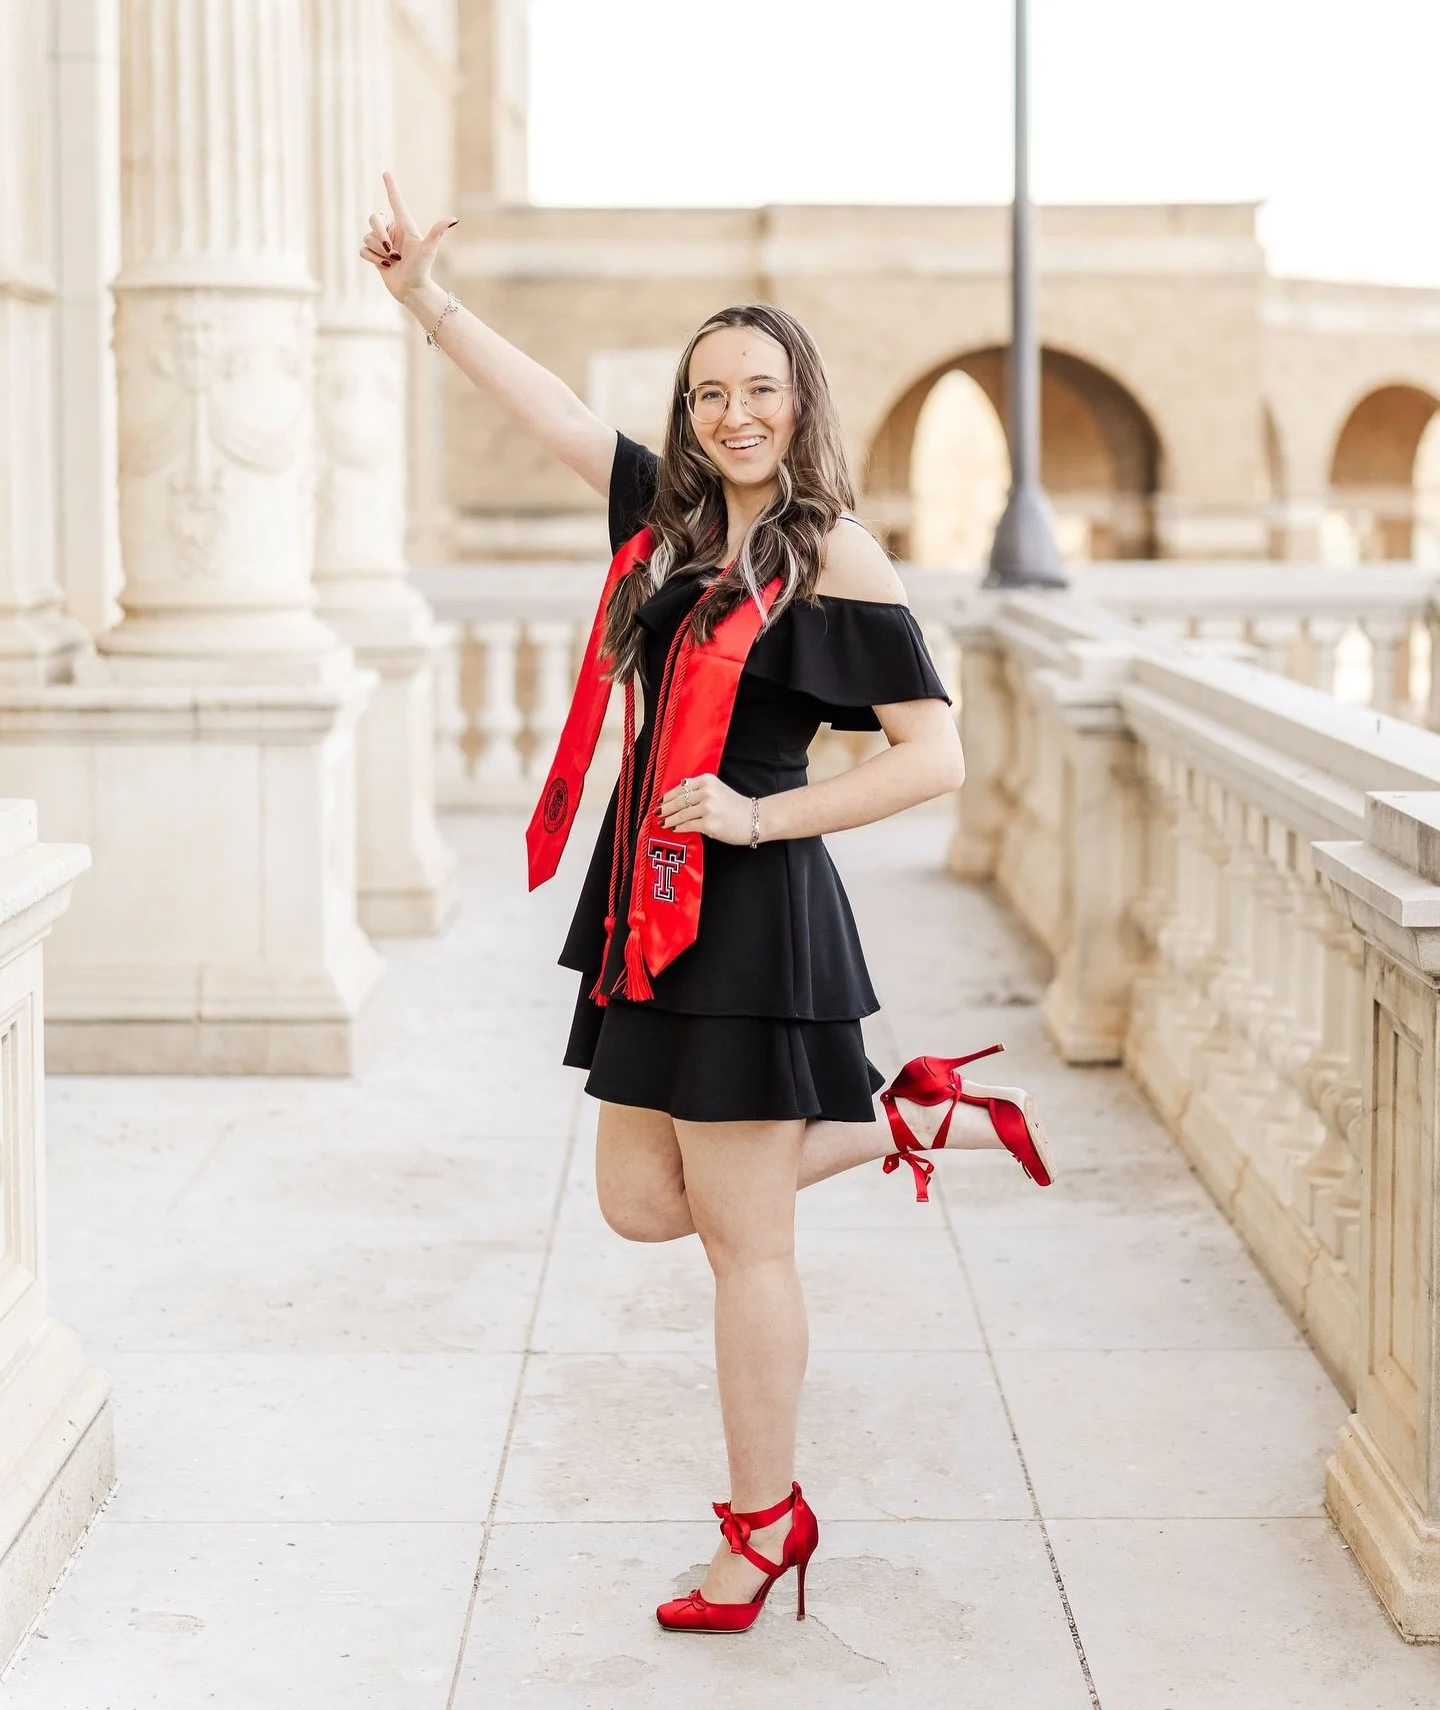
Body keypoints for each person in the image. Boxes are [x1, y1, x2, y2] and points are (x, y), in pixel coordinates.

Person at [361, 175, 1055, 1636]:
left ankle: (764, 1526)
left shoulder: (834, 554)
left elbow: (937, 756)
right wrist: (424, 297)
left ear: (801, 402)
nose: (734, 414)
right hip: (642, 900)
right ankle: (901, 1115)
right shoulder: (672, 523)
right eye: (708, 394)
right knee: (634, 1201)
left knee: (745, 1243)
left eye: (759, 389)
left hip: (746, 910)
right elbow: (550, 408)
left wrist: (759, 810)